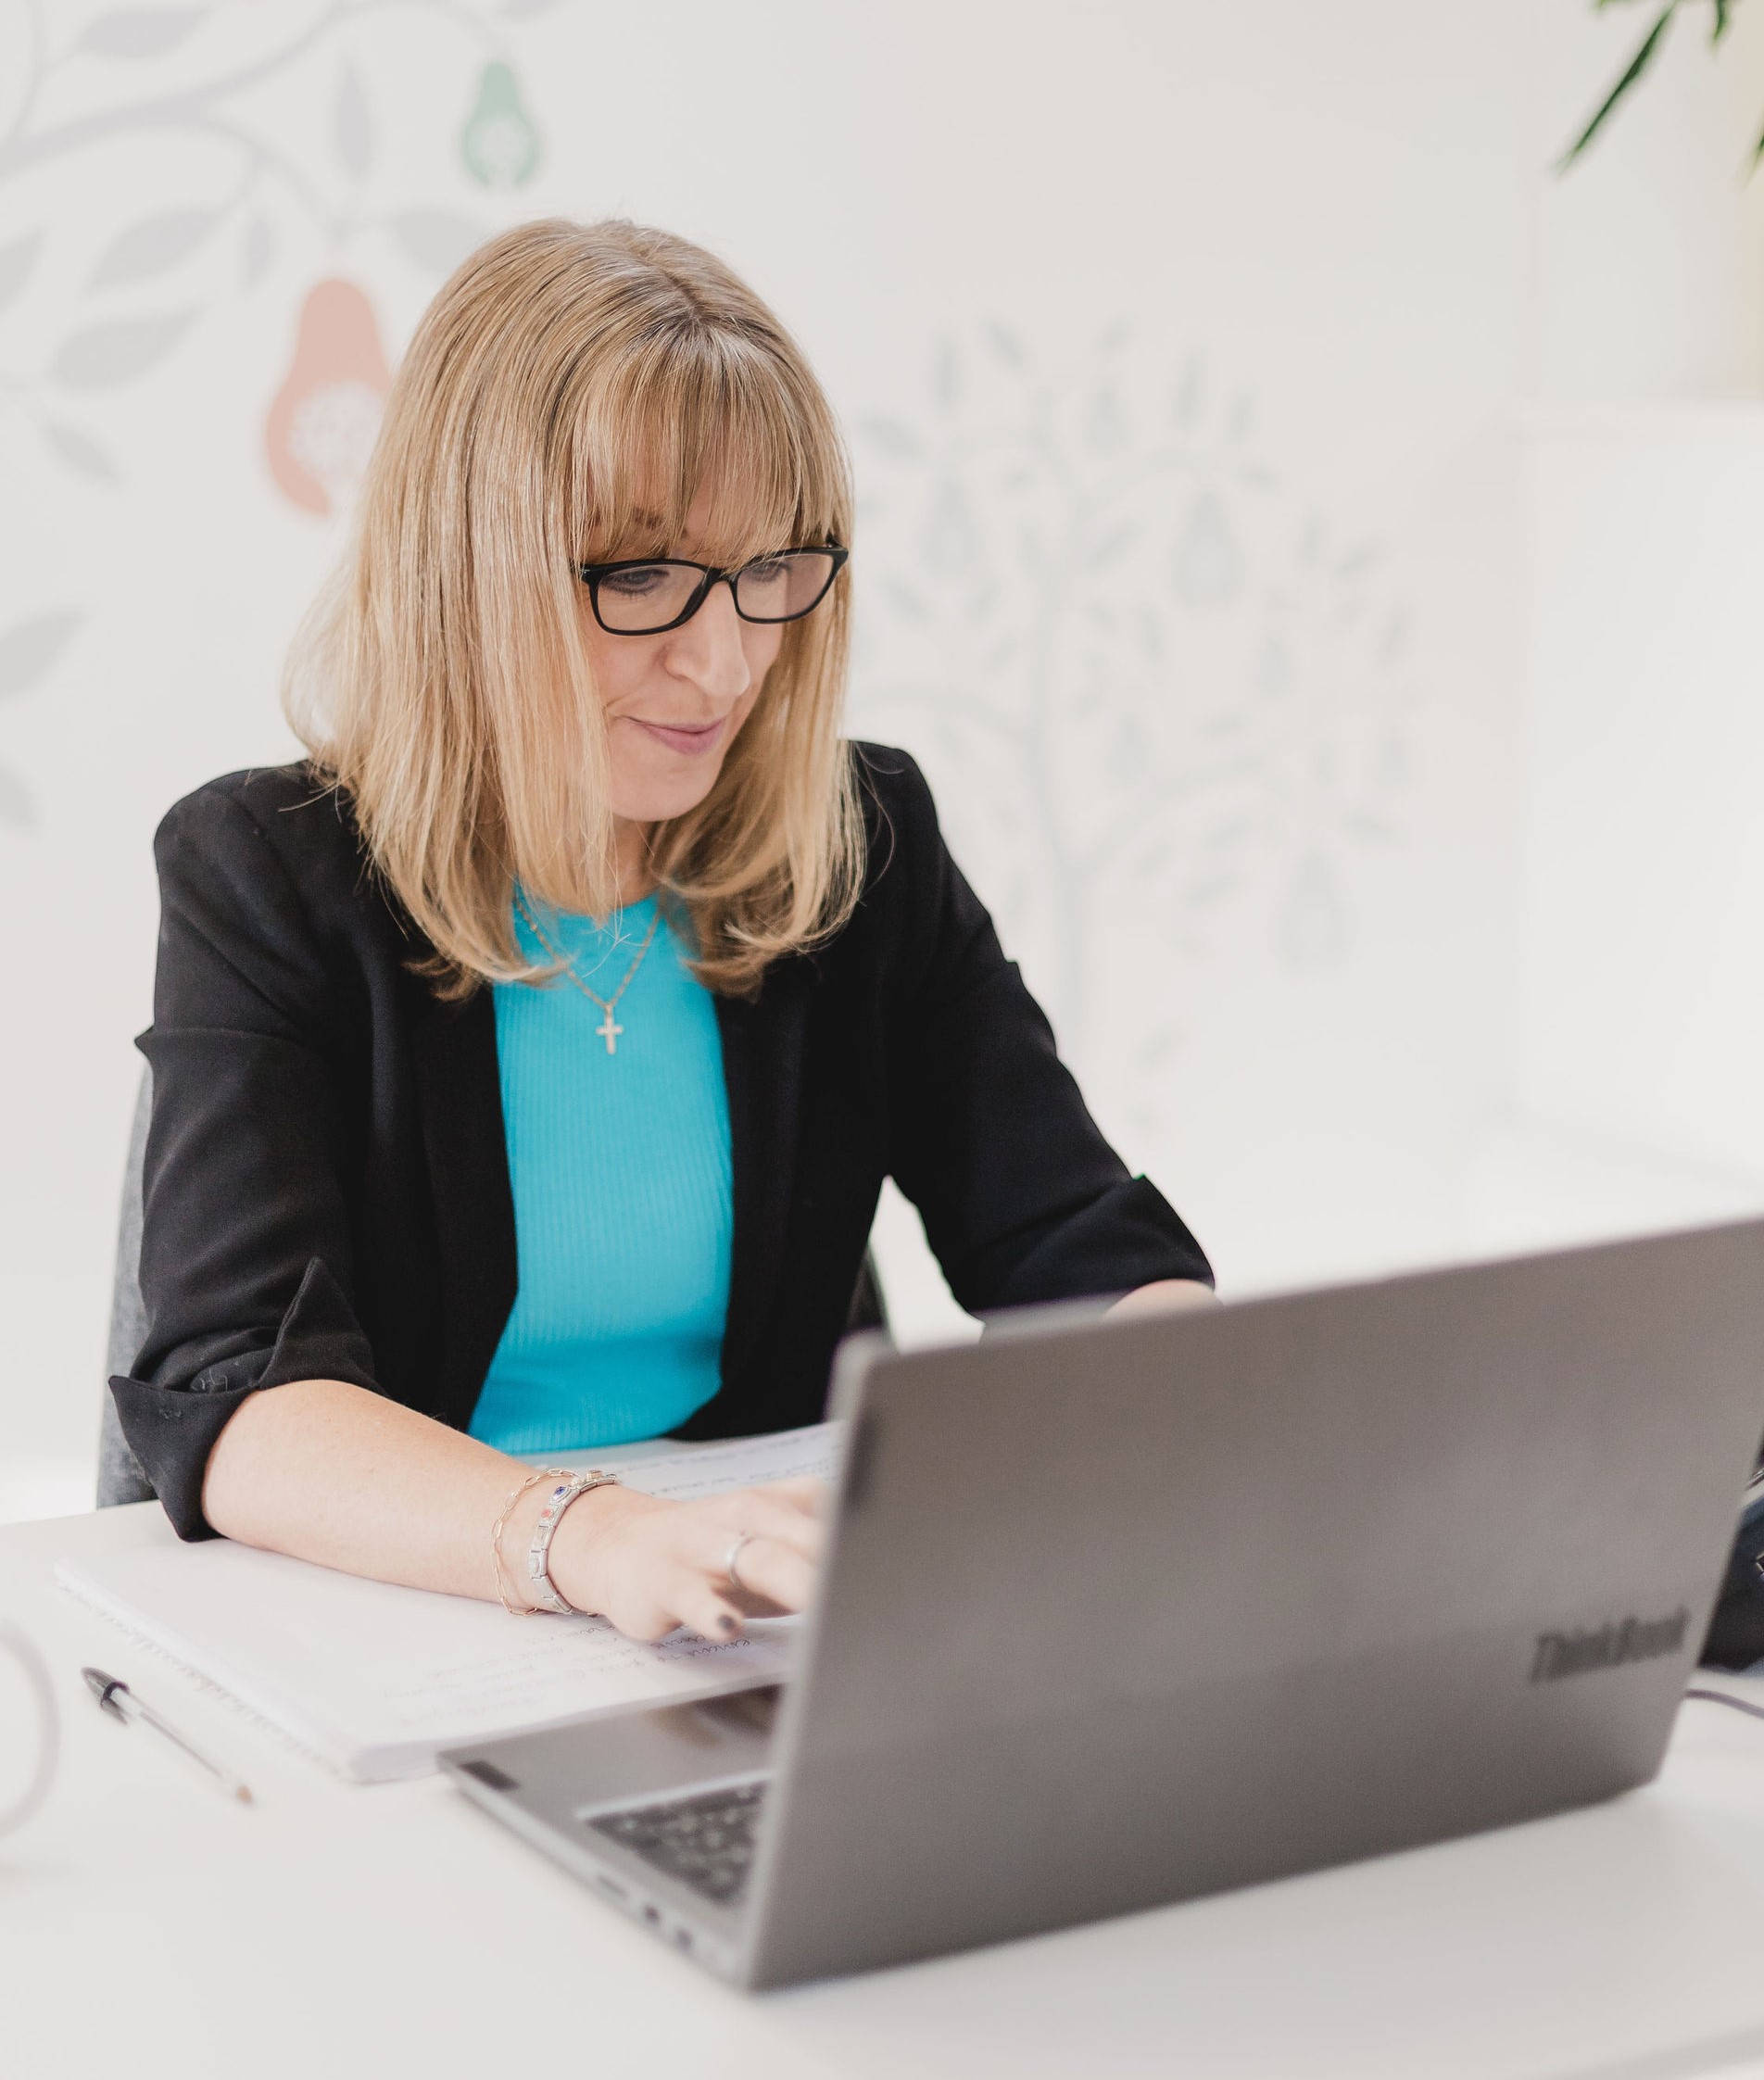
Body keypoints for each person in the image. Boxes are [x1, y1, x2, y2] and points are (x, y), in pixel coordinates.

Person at [110, 219, 1215, 1647]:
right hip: (413, 1605)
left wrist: (1219, 1417)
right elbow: (242, 1394)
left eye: (777, 569)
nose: (729, 657)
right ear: (475, 571)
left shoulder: (862, 839)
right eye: (643, 579)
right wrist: (587, 1535)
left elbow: (1077, 1246)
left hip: (738, 1618)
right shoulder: (265, 870)